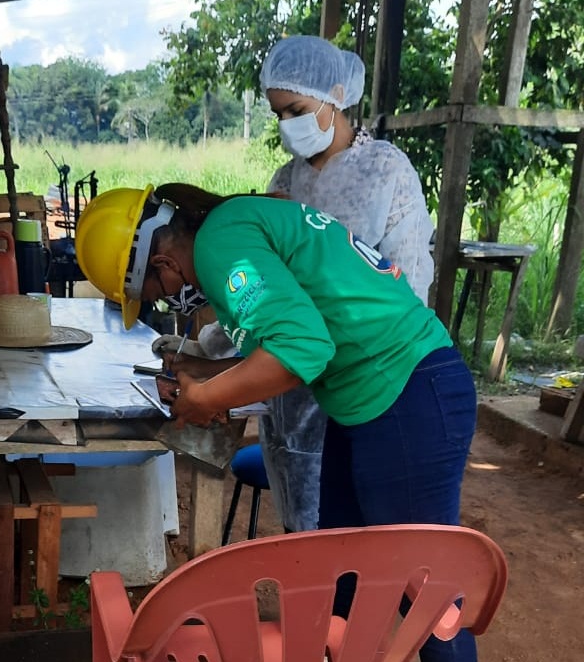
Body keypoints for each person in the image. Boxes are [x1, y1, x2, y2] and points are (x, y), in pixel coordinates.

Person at [75, 182, 478, 662]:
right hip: (381, 399)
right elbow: (291, 346)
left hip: (408, 395)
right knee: (345, 577)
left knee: (428, 598)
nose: (166, 303)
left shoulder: (217, 245)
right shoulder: (230, 228)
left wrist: (207, 397)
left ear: (163, 264)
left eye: (156, 295)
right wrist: (207, 374)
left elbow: (300, 349)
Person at [153, 35, 435, 533]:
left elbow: (406, 280)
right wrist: (210, 352)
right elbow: (260, 293)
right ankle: (328, 606)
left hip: (371, 367)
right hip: (299, 373)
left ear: (335, 94)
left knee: (380, 531)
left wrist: (216, 387)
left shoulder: (384, 170)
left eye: (296, 110)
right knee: (314, 522)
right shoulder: (287, 181)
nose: (287, 125)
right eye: (278, 115)